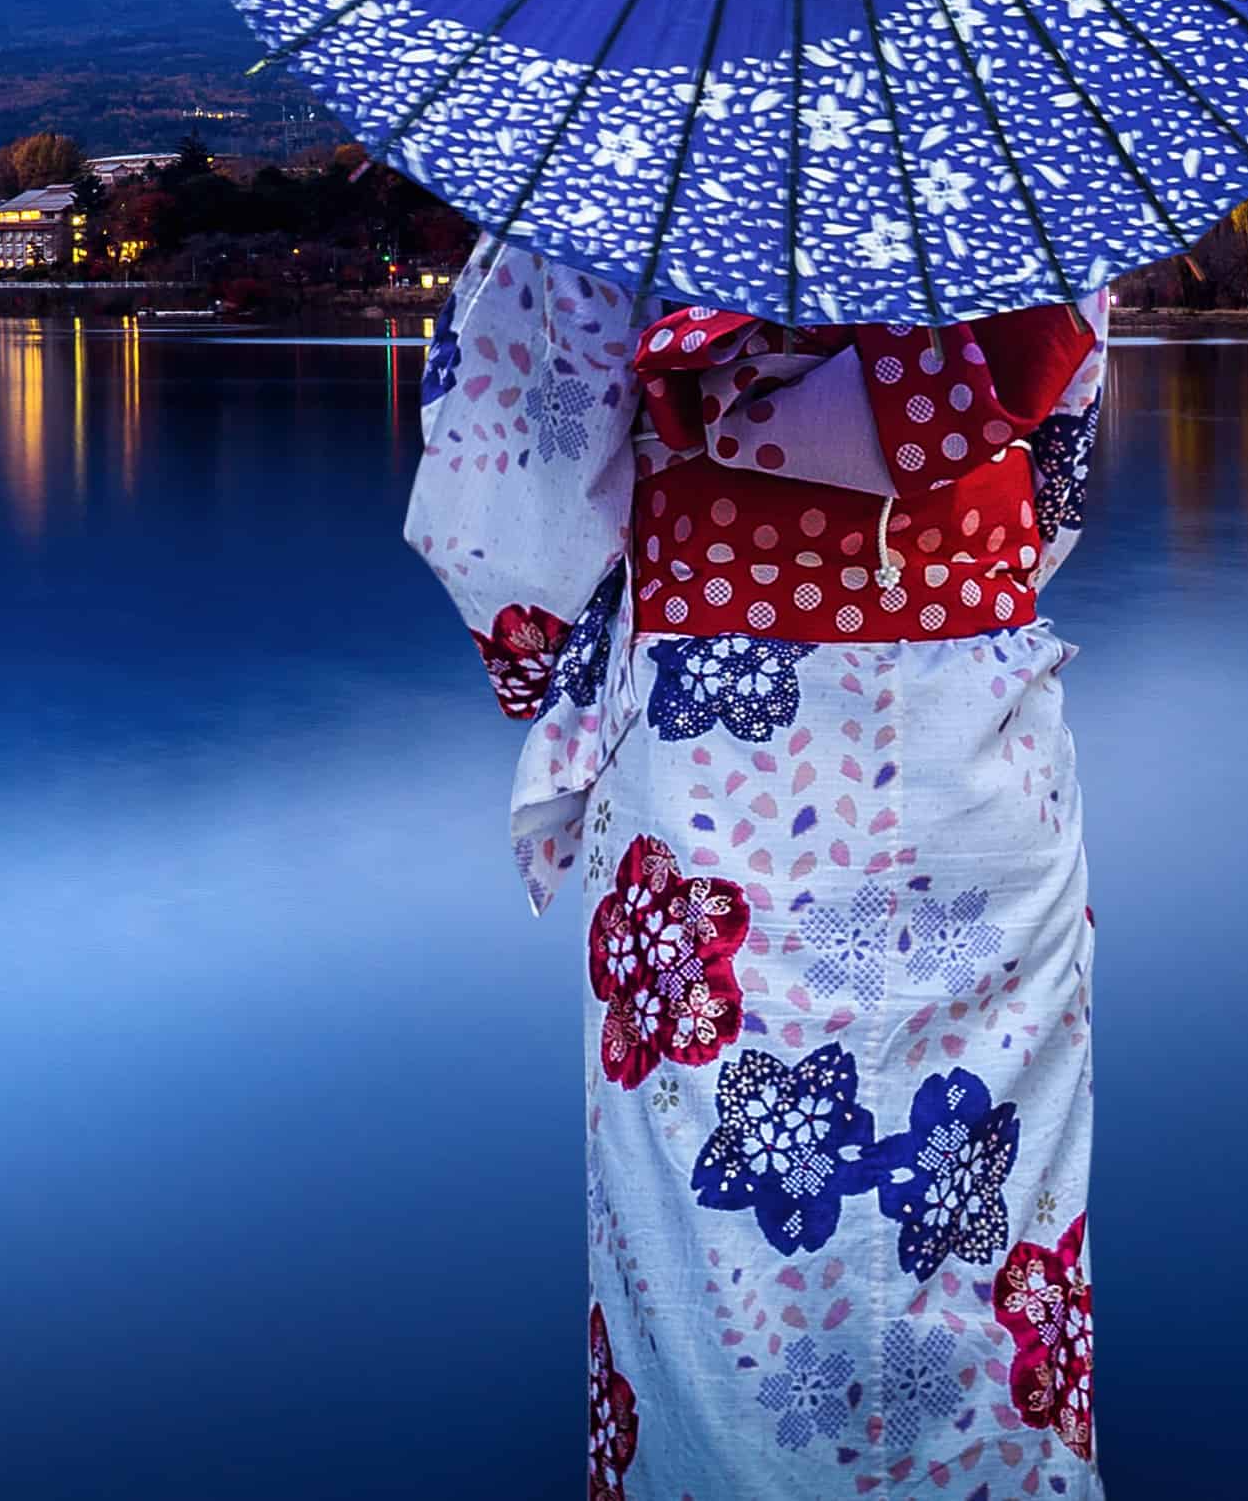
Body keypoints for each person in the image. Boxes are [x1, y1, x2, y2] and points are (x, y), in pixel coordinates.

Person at [408, 239, 1105, 1499]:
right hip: (977, 763)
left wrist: (553, 660)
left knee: (718, 1275)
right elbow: (1049, 485)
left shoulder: (626, 162)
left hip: (716, 783)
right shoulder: (1019, 172)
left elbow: (504, 511)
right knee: (977, 1240)